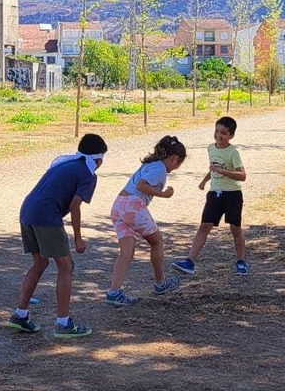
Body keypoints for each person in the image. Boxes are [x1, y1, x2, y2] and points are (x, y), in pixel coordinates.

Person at [7, 134, 108, 338]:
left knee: (40, 263)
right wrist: (78, 237)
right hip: (46, 215)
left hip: (27, 210)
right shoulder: (88, 174)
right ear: (99, 160)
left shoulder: (65, 162)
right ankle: (63, 323)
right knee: (66, 265)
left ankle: (20, 314)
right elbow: (75, 206)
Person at [105, 135, 187, 306]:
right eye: (178, 164)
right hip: (132, 206)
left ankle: (114, 292)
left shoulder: (149, 164)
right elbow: (141, 186)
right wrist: (164, 194)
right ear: (174, 158)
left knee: (126, 251)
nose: (176, 167)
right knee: (157, 241)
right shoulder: (160, 169)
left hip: (119, 205)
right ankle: (160, 283)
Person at [173, 115, 248, 276]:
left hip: (232, 194)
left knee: (235, 228)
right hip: (215, 193)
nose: (219, 136)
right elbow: (214, 168)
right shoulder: (210, 148)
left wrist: (223, 172)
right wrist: (204, 181)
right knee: (204, 226)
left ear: (231, 136)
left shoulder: (233, 152)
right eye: (217, 131)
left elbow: (242, 175)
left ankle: (241, 261)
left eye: (223, 133)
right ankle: (190, 262)